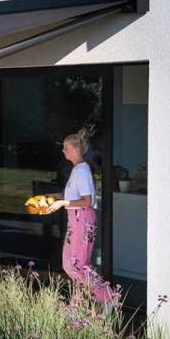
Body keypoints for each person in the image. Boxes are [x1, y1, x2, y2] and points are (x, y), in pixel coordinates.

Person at [46, 130, 113, 306]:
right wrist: (57, 196)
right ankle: (77, 304)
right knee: (70, 264)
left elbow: (87, 201)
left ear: (76, 149)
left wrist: (62, 203)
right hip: (75, 221)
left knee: (78, 265)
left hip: (82, 221)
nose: (63, 151)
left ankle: (108, 296)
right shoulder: (78, 170)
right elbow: (76, 196)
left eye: (65, 147)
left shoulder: (81, 171)